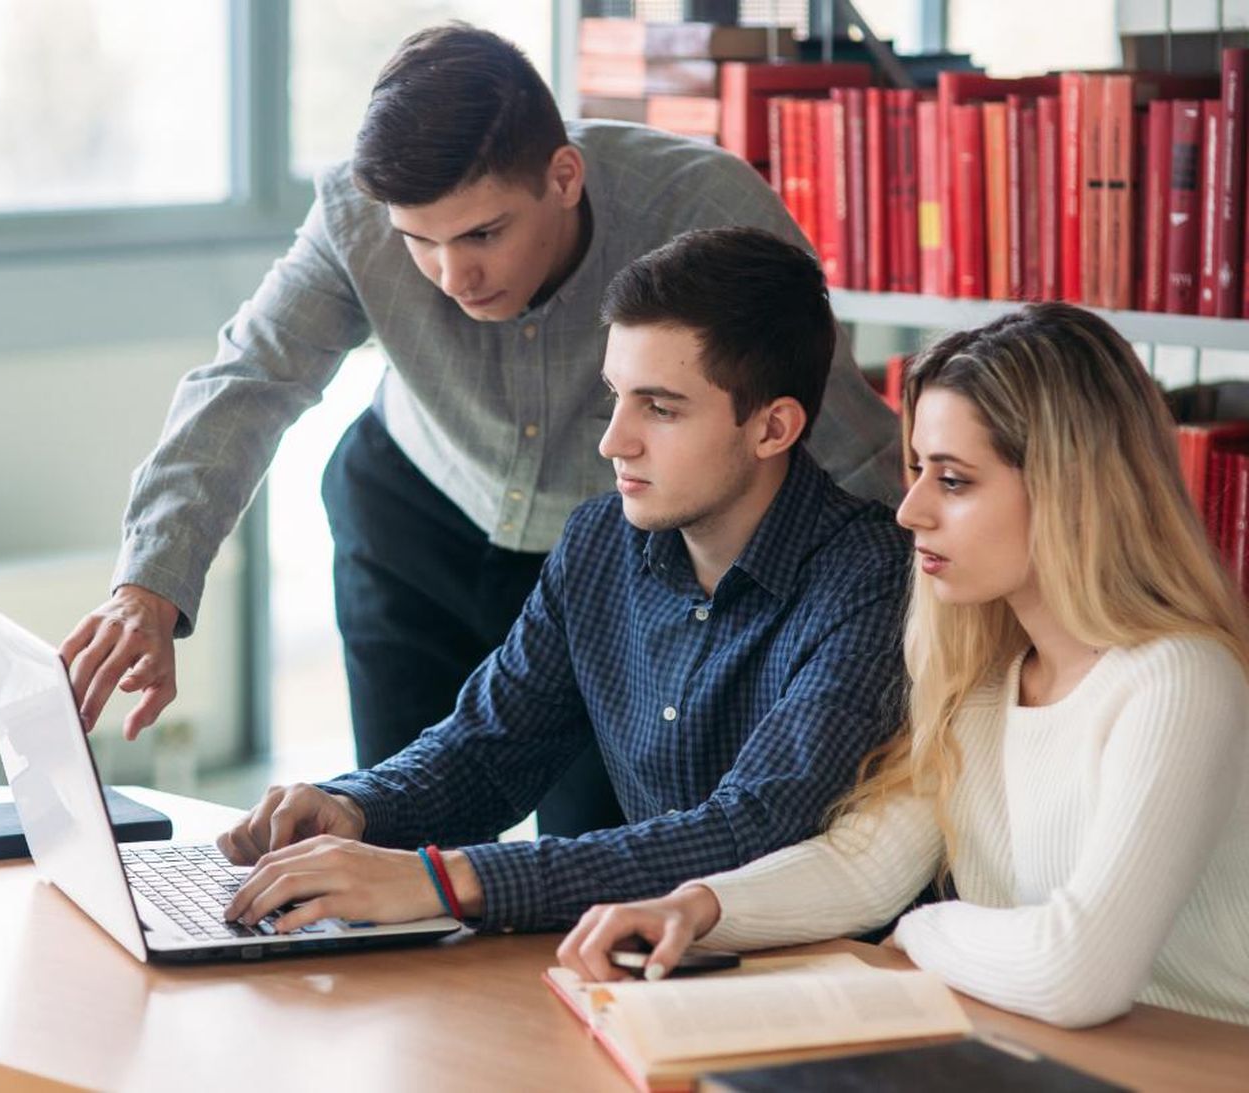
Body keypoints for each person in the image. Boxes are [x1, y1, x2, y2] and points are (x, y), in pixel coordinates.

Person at [57, 24, 902, 838]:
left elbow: (837, 431)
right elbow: (249, 380)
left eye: (483, 234)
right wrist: (149, 586)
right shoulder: (354, 215)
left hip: (605, 561)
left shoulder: (703, 209)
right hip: (413, 524)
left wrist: (930, 617)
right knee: (386, 822)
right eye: (418, 242)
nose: (452, 275)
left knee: (593, 850)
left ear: (563, 176)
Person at [555, 302, 1249, 1029]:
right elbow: (864, 864)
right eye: (916, 471)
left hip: (1189, 1065)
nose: (909, 510)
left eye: (953, 481)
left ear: (1071, 492)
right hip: (1045, 1055)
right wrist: (694, 907)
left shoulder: (1178, 679)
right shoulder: (987, 680)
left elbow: (1077, 975)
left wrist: (924, 929)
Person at [212, 227, 910, 936]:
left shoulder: (874, 580)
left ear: (772, 429)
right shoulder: (600, 542)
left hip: (824, 975)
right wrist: (354, 806)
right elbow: (489, 750)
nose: (613, 441)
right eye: (616, 397)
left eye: (660, 408)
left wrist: (445, 880)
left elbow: (751, 833)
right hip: (653, 964)